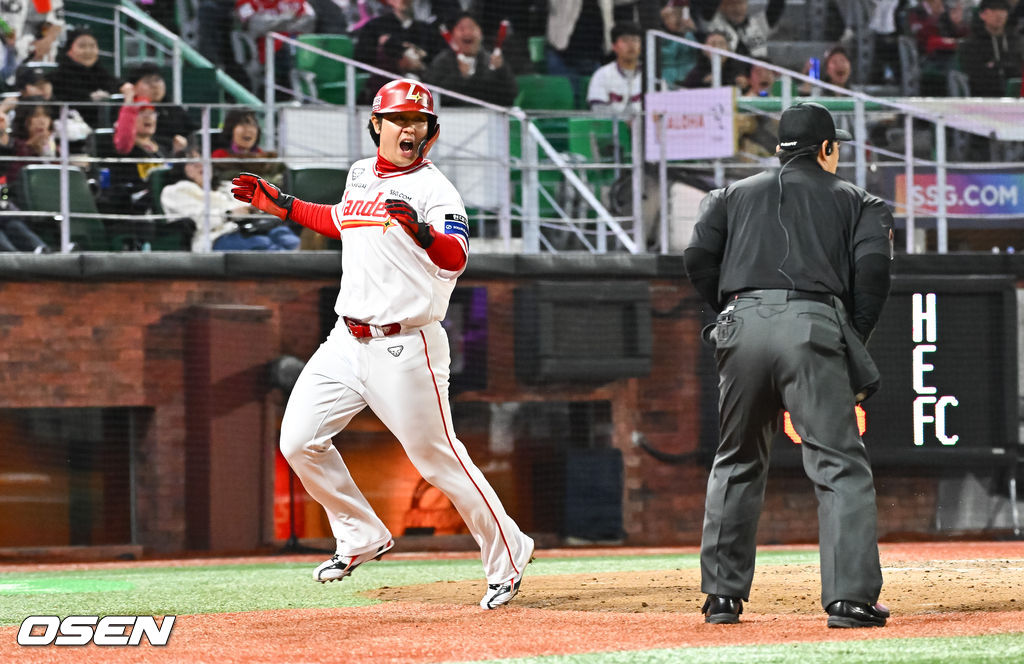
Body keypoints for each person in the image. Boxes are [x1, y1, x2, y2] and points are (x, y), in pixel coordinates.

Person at [229, 78, 535, 609]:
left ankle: (509, 553)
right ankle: (360, 535)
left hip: (407, 345)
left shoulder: (437, 191)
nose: (409, 128)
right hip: (346, 340)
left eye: (418, 121)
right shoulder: (359, 173)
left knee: (439, 461)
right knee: (298, 441)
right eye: (399, 119)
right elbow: (341, 221)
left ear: (430, 131)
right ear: (377, 124)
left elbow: (457, 256)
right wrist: (284, 206)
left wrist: (424, 234)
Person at [684, 101, 894, 628]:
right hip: (813, 325)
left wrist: (729, 311)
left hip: (740, 325)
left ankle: (722, 597)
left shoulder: (727, 196)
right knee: (838, 464)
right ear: (827, 148)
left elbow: (696, 257)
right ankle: (848, 600)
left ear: (780, 149)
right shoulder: (861, 202)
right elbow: (873, 275)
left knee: (736, 459)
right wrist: (851, 338)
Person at [160, 148, 298, 251]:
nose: (200, 164)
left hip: (253, 228)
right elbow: (198, 219)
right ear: (180, 169)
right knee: (262, 244)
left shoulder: (226, 187)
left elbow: (249, 205)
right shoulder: (175, 192)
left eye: (202, 160)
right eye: (191, 162)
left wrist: (255, 209)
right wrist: (228, 215)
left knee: (287, 238)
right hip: (217, 237)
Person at [424, 12, 518, 106]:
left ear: (481, 34)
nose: (467, 32)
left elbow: (511, 95)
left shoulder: (492, 61)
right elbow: (431, 95)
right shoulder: (442, 62)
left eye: (472, 28)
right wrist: (459, 77)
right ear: (452, 36)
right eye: (462, 29)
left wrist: (501, 71)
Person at [49, 28, 120, 129]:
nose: (88, 51)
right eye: (82, 46)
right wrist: (89, 99)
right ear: (69, 50)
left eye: (92, 46)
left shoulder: (102, 73)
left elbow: (116, 85)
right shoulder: (58, 77)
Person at [125, 62, 198, 156]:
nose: (155, 85)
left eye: (158, 80)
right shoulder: (127, 109)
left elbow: (190, 133)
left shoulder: (173, 109)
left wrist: (189, 149)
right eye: (147, 81)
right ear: (133, 87)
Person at [353, 0, 447, 70]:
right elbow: (361, 60)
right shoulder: (375, 26)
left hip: (423, 83)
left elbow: (440, 58)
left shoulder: (427, 29)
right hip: (386, 82)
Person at [957, 0, 1020, 97]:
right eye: (993, 10)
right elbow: (975, 75)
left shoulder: (1016, 41)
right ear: (982, 15)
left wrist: (997, 66)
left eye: (1003, 10)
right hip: (983, 97)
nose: (999, 15)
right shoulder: (971, 44)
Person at [907, 0, 969, 96]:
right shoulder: (915, 12)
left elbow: (960, 35)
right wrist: (935, 18)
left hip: (950, 53)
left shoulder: (948, 9)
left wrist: (957, 24)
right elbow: (921, 37)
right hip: (927, 58)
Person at [211, 108, 283, 188]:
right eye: (242, 124)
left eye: (253, 125)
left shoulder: (264, 159)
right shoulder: (220, 156)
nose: (249, 129)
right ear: (231, 129)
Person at [691, 0, 786, 60]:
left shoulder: (757, 23)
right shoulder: (712, 23)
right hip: (727, 78)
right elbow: (708, 6)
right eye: (731, 4)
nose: (738, 9)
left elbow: (777, 5)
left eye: (741, 3)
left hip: (757, 76)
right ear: (720, 7)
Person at [586, 22, 643, 113]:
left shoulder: (652, 76)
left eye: (635, 40)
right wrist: (624, 119)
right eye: (625, 40)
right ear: (614, 46)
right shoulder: (602, 75)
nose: (631, 45)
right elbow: (598, 110)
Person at [681, 29, 748, 89]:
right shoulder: (698, 71)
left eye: (721, 44)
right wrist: (704, 82)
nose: (717, 48)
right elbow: (686, 89)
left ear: (728, 49)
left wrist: (744, 84)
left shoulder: (739, 66)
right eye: (713, 44)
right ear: (705, 50)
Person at [657, 0, 699, 89]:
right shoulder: (659, 36)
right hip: (667, 80)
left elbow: (700, 52)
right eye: (667, 17)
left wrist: (693, 30)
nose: (676, 18)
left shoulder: (690, 34)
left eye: (676, 14)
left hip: (690, 79)